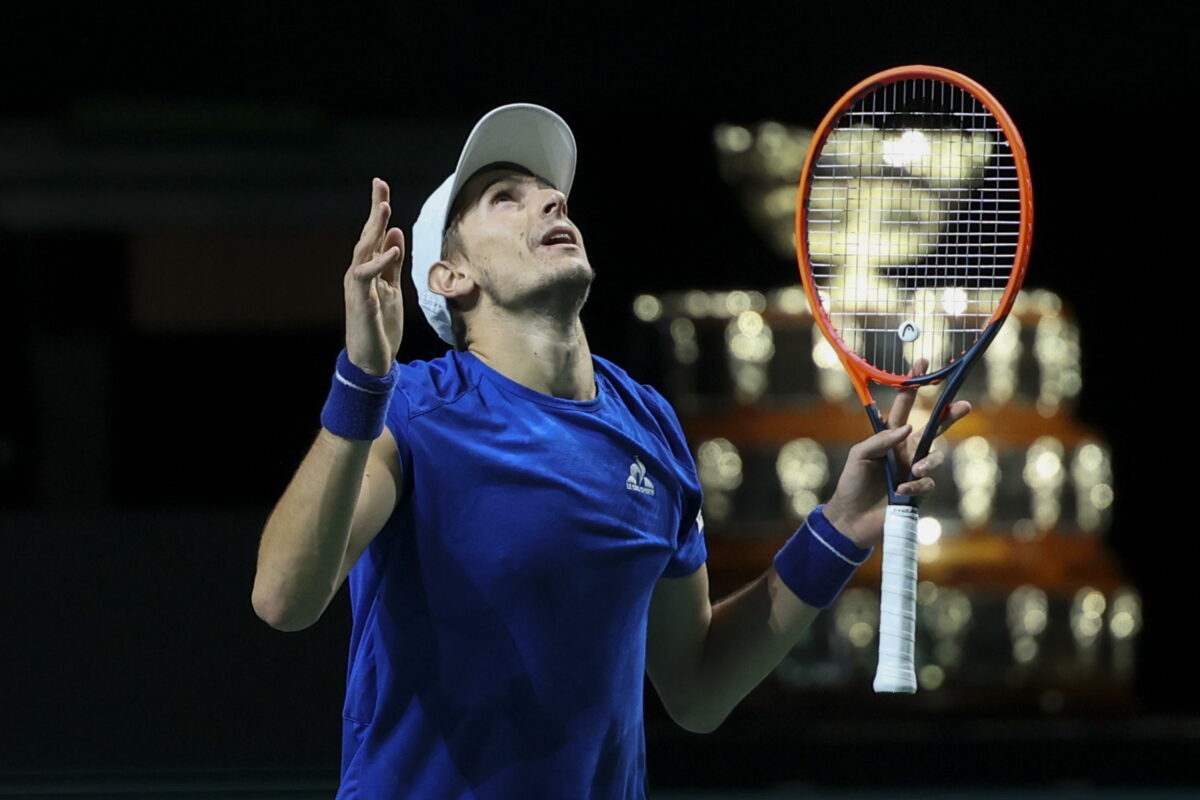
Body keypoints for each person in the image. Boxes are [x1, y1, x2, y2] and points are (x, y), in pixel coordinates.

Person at [251, 104, 968, 800]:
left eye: (550, 193)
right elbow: (283, 599)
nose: (551, 201)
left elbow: (699, 688)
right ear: (452, 277)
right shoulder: (408, 410)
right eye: (505, 198)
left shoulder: (649, 425)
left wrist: (837, 531)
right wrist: (362, 382)